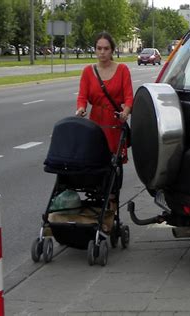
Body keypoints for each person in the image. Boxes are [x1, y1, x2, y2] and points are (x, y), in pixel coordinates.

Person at [75, 31, 133, 212]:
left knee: (113, 165)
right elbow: (82, 96)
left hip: (115, 124)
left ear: (112, 50)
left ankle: (112, 206)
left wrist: (125, 111)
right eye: (99, 48)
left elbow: (129, 97)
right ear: (95, 50)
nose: (102, 52)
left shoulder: (122, 69)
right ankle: (98, 201)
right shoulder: (88, 71)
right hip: (96, 124)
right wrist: (81, 109)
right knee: (95, 162)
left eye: (106, 48)